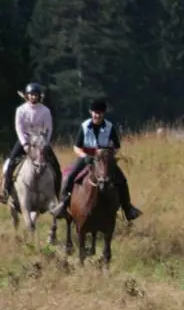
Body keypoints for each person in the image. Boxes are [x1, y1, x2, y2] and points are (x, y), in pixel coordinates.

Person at [50, 99, 142, 221]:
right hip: (86, 158)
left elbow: (117, 147)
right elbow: (76, 147)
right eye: (95, 112)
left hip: (104, 160)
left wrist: (108, 155)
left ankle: (127, 207)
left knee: (122, 180)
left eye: (99, 113)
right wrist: (84, 156)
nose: (97, 115)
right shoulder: (84, 126)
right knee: (69, 177)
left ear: (103, 114)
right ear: (90, 112)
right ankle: (62, 205)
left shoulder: (110, 127)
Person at [1, 83, 61, 213]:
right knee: (10, 163)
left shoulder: (45, 110)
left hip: (41, 141)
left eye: (36, 95)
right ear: (27, 96)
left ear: (39, 96)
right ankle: (5, 191)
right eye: (31, 95)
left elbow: (49, 128)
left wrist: (44, 143)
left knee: (56, 166)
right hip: (26, 140)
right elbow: (19, 128)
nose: (33, 97)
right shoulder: (21, 110)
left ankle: (58, 196)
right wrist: (25, 144)